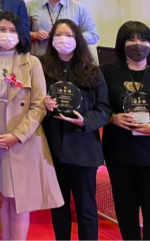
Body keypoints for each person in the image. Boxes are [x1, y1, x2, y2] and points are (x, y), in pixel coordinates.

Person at [0, 11, 63, 241]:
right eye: (2, 29)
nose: (7, 35)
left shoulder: (32, 62)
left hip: (23, 134)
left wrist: (18, 135)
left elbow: (39, 104)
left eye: (13, 30)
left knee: (18, 196)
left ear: (21, 34)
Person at [40, 19, 111, 241]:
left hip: (83, 150)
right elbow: (31, 105)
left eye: (69, 35)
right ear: (51, 40)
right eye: (58, 35)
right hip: (53, 150)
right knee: (58, 207)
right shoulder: (41, 68)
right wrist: (43, 105)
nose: (64, 40)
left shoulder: (92, 71)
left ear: (78, 39)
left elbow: (104, 110)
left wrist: (85, 121)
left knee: (86, 208)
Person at [100, 21, 150, 240]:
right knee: (125, 208)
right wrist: (113, 117)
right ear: (121, 43)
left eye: (144, 39)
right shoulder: (106, 72)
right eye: (131, 39)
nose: (138, 44)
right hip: (120, 152)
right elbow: (99, 106)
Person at [26, 0, 99, 57]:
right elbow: (20, 33)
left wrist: (70, 37)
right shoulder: (30, 6)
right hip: (40, 58)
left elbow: (93, 35)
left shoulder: (78, 8)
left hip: (71, 59)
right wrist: (35, 35)